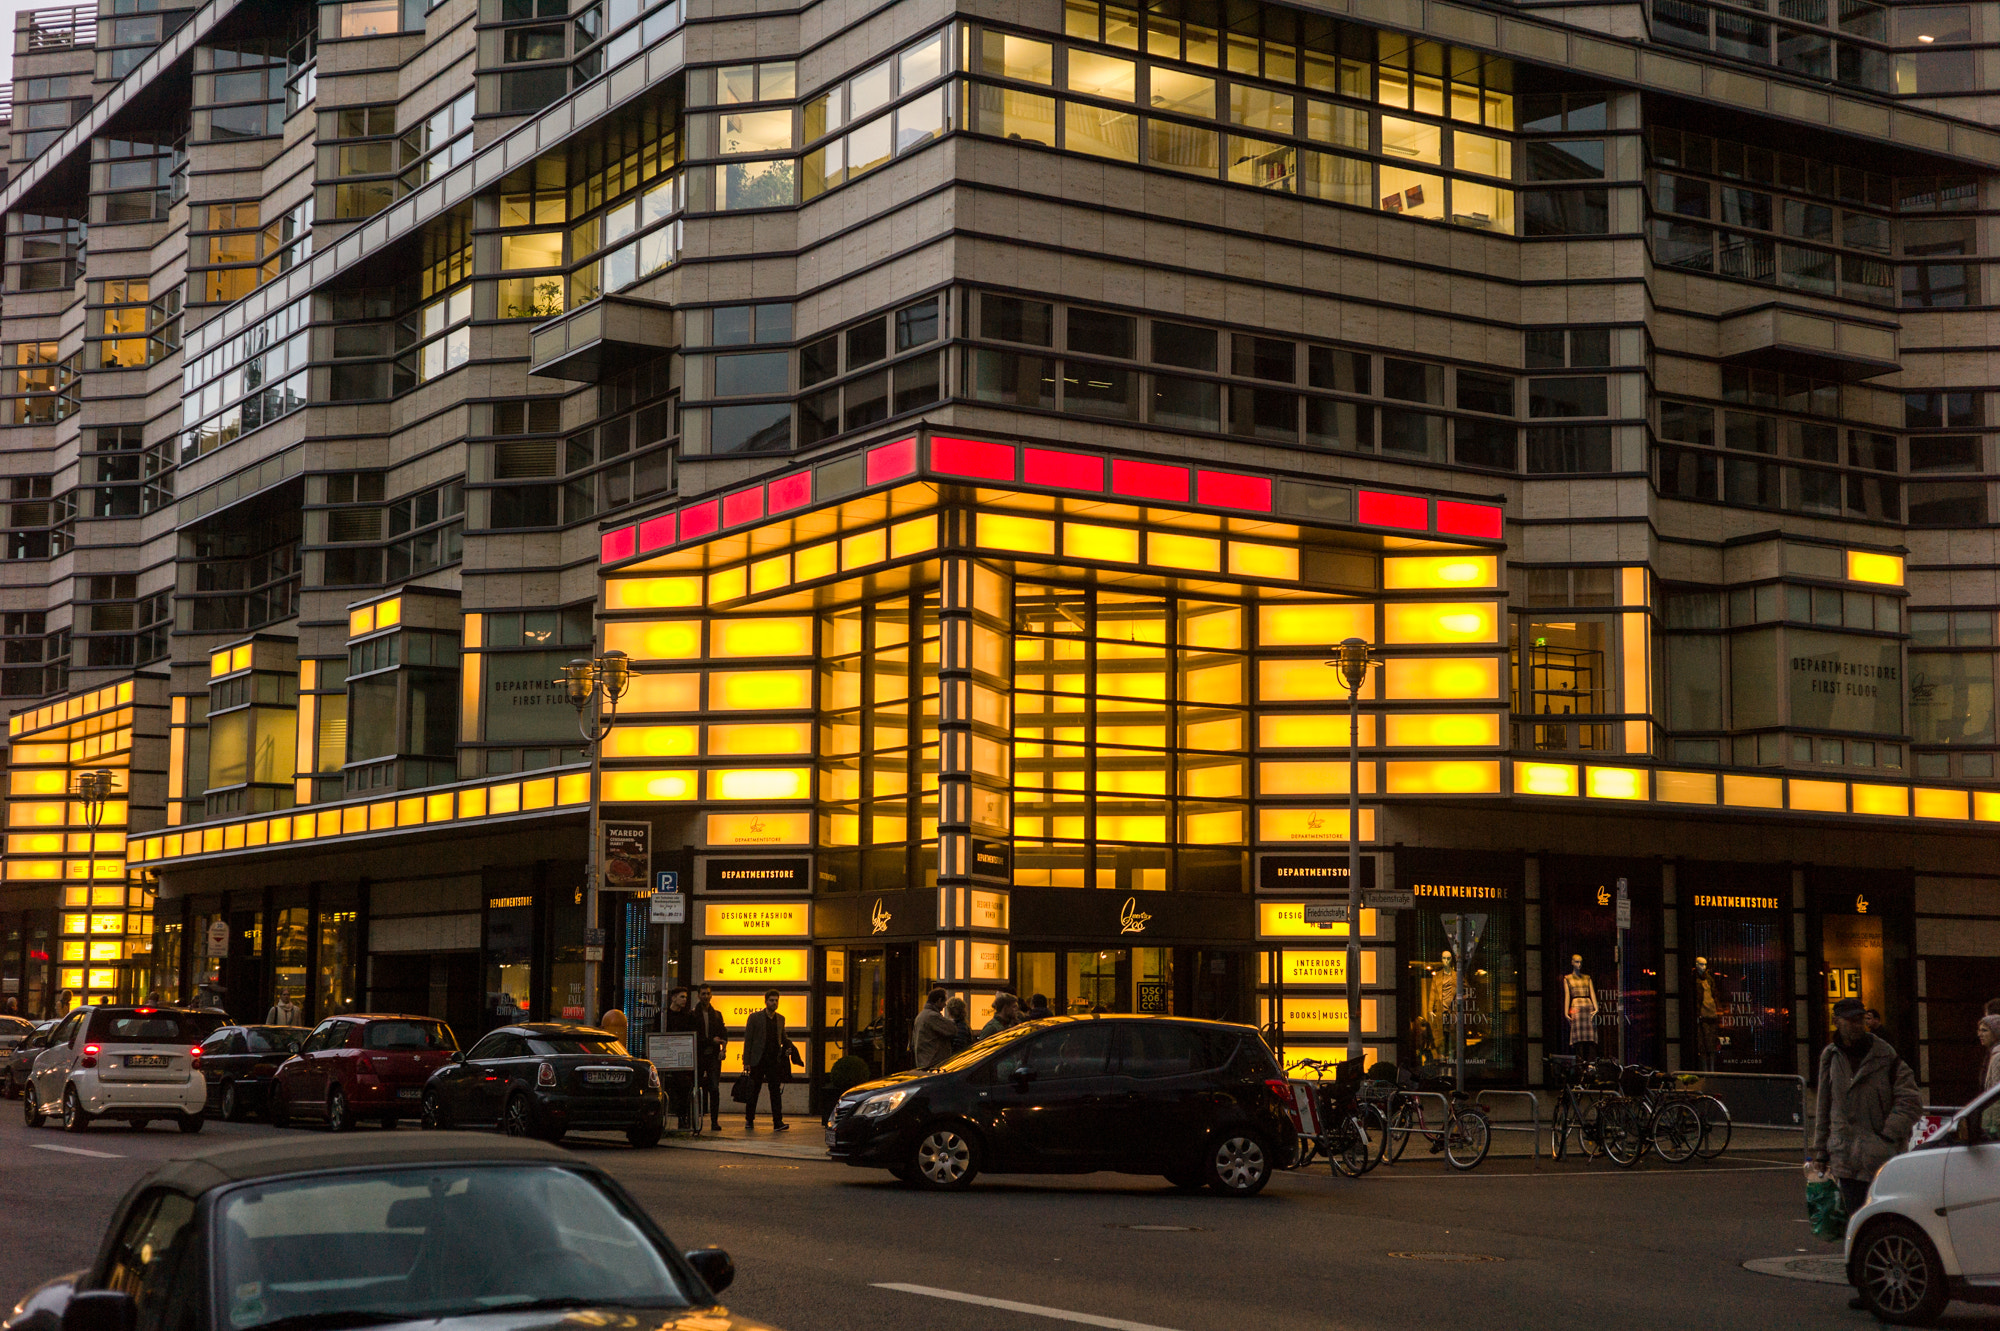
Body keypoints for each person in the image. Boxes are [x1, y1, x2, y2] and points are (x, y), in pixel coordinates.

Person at [1811, 996, 1922, 1225]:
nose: (1856, 1025)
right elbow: (1823, 1106)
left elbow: (1910, 1100)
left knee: (1883, 1220)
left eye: (1860, 1019)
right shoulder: (1831, 1056)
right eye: (1850, 1020)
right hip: (1845, 1156)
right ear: (1836, 1022)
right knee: (1855, 1221)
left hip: (1879, 1156)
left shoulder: (1885, 1054)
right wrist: (1820, 1151)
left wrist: (1887, 1135)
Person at [740, 990, 798, 1131]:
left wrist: (787, 1048)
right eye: (771, 1000)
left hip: (774, 1061)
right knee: (754, 1091)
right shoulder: (754, 1018)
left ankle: (777, 1121)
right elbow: (748, 1040)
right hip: (758, 1060)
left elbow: (783, 1037)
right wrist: (746, 1061)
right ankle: (749, 1119)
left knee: (775, 1092)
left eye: (776, 1000)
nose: (774, 1003)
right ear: (765, 1001)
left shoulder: (780, 1019)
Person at [693, 985, 726, 1131]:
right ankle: (695, 1118)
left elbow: (723, 1034)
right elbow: (694, 1037)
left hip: (713, 1056)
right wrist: (711, 1041)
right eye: (703, 994)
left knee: (714, 1087)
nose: (706, 996)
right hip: (699, 1055)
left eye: (708, 994)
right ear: (698, 996)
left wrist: (723, 1048)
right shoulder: (693, 1015)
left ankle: (714, 1121)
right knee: (696, 1087)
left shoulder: (717, 1015)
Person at [912, 987, 955, 1070]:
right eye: (944, 1001)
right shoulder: (932, 1016)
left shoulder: (921, 1016)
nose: (945, 1005)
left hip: (923, 1061)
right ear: (939, 1001)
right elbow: (952, 1030)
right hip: (933, 1062)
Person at [1980, 1014, 2000, 1092]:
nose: (1980, 1035)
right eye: (1979, 1030)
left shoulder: (1998, 1057)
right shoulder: (1993, 1054)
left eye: (1984, 1030)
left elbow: (1996, 1092)